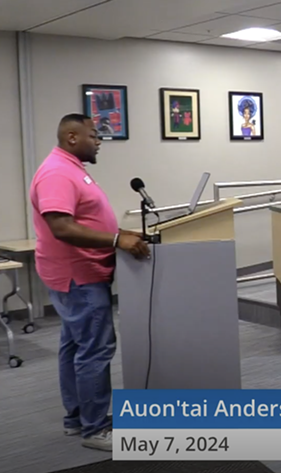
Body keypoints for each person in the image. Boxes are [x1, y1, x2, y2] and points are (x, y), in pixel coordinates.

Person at [29, 114, 150, 452]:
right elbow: (62, 227)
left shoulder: (70, 167)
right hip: (78, 275)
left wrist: (121, 233)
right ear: (71, 137)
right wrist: (115, 241)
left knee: (76, 346)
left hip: (75, 274)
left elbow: (84, 218)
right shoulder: (57, 172)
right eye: (94, 135)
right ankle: (95, 429)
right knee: (95, 348)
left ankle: (78, 419)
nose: (99, 141)